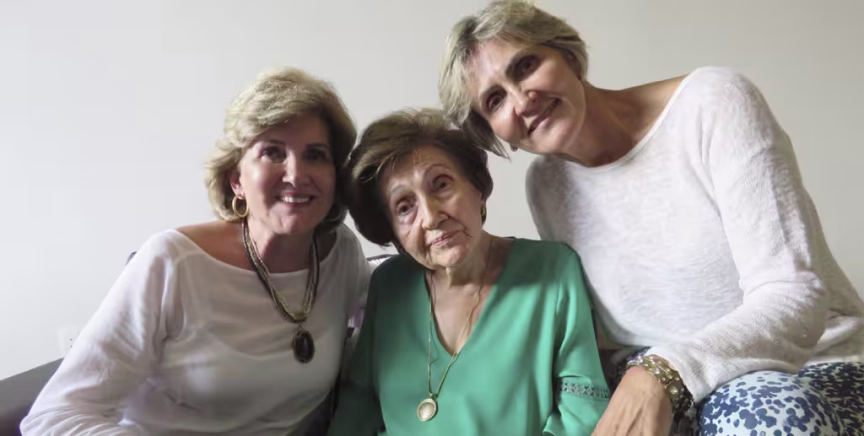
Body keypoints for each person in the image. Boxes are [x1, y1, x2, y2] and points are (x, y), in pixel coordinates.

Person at [439, 1, 864, 434]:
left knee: (766, 416)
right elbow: (610, 336)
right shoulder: (546, 185)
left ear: (567, 55)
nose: (522, 100)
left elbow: (794, 295)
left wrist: (662, 372)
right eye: (495, 100)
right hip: (671, 396)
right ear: (495, 134)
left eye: (526, 66)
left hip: (803, 374)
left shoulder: (713, 104)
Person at [21, 67, 371, 435]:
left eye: (316, 155)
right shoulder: (172, 263)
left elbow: (389, 326)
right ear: (236, 179)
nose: (296, 175)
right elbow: (53, 417)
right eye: (273, 152)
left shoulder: (341, 255)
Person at [327, 108, 609, 435]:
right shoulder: (389, 283)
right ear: (391, 231)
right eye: (404, 207)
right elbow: (359, 402)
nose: (431, 216)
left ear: (477, 187)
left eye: (441, 185)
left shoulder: (551, 270)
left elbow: (582, 410)